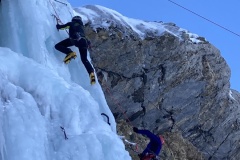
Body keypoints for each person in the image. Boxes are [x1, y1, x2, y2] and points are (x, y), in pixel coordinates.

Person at [55, 15, 95, 84]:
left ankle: (69, 52)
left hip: (75, 40)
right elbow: (85, 37)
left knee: (58, 46)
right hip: (84, 42)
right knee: (84, 59)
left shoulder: (71, 23)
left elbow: (62, 27)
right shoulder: (81, 27)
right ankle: (91, 73)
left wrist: (58, 25)